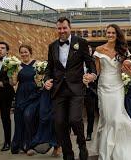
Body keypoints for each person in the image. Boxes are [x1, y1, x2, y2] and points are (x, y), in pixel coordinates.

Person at [89, 24, 131, 160]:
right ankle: (107, 152)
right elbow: (97, 71)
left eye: (113, 33)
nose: (111, 35)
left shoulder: (123, 50)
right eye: (108, 32)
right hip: (104, 86)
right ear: (106, 34)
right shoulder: (99, 50)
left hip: (118, 86)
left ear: (117, 35)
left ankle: (126, 148)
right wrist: (91, 77)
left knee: (117, 118)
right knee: (107, 119)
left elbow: (130, 73)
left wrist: (129, 68)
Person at [44, 17, 97, 160]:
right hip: (58, 89)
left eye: (64, 28)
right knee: (59, 123)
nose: (62, 31)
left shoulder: (81, 43)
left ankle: (82, 145)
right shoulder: (52, 46)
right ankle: (68, 154)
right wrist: (46, 80)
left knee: (75, 119)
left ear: (70, 28)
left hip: (76, 88)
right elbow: (49, 68)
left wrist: (92, 74)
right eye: (59, 28)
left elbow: (90, 62)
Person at [10, 45, 61, 156]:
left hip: (35, 95)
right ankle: (22, 145)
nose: (24, 54)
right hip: (21, 96)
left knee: (28, 116)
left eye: (26, 52)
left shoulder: (38, 64)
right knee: (20, 120)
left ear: (30, 52)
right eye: (21, 52)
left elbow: (43, 80)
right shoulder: (17, 66)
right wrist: (10, 72)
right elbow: (13, 83)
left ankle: (31, 145)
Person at [84, 45, 98, 141]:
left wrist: (92, 79)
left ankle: (89, 133)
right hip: (78, 91)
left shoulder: (94, 63)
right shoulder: (77, 62)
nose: (88, 52)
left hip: (90, 91)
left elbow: (98, 75)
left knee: (90, 113)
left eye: (89, 51)